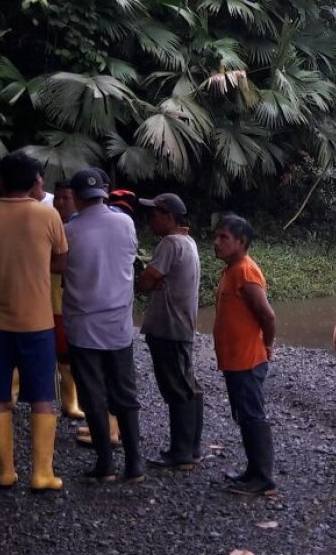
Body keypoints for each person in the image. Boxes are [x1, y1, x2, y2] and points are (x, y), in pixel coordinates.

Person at [0, 151, 68, 491]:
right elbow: (61, 260)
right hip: (38, 321)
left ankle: (5, 471)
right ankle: (41, 473)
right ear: (37, 182)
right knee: (42, 395)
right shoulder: (48, 214)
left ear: (0, 180)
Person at [63, 167, 144, 483]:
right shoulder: (126, 223)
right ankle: (135, 464)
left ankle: (106, 464)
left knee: (93, 394)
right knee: (125, 391)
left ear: (78, 198)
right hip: (119, 324)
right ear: (105, 194)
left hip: (83, 326)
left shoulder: (70, 230)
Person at [136, 192, 203, 471]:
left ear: (169, 217)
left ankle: (182, 453)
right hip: (180, 325)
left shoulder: (170, 243)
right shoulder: (188, 242)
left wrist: (146, 278)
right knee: (188, 387)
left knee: (177, 389)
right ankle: (191, 448)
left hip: (168, 327)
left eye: (154, 215)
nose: (150, 220)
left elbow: (146, 283)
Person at [212, 214, 278, 497]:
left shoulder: (245, 271)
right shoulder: (231, 269)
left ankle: (263, 479)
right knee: (244, 415)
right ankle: (253, 471)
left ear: (242, 242)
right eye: (216, 236)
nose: (216, 242)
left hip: (248, 359)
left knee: (252, 415)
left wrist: (269, 345)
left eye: (224, 238)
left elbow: (267, 315)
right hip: (234, 359)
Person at [51, 181, 84, 422]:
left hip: (66, 300)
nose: (61, 203)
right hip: (42, 295)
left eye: (66, 198)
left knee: (66, 354)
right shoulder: (48, 224)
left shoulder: (80, 229)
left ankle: (69, 401)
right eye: (58, 198)